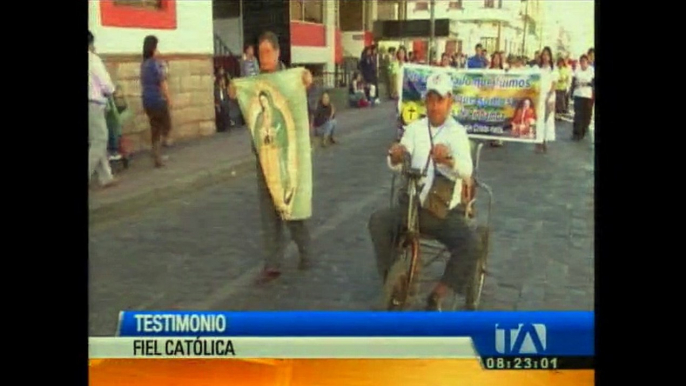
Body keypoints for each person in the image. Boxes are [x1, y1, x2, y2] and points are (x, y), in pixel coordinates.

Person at [368, 71, 480, 311]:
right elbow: (398, 160)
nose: (434, 106)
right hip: (411, 206)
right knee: (378, 222)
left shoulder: (457, 132)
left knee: (471, 243)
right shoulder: (415, 129)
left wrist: (449, 159)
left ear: (449, 101)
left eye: (439, 100)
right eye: (430, 100)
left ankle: (438, 294)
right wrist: (396, 156)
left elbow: (467, 169)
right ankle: (396, 277)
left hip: (442, 213)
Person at [229, 31, 313, 284]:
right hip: (264, 155)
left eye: (268, 52)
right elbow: (245, 110)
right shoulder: (254, 84)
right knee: (268, 210)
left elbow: (300, 106)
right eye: (261, 52)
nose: (264, 58)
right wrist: (235, 94)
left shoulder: (289, 79)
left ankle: (305, 249)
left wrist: (307, 80)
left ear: (277, 52)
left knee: (289, 204)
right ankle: (272, 262)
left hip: (286, 154)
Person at [88, 30, 118, 188]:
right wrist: (113, 90)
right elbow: (105, 83)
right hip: (94, 103)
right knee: (100, 140)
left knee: (95, 140)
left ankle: (106, 177)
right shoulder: (93, 59)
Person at [140, 35, 173, 167]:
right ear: (153, 49)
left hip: (147, 100)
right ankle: (163, 143)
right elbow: (162, 83)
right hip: (157, 99)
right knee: (167, 124)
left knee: (155, 127)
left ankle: (157, 155)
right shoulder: (155, 64)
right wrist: (169, 99)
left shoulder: (143, 64)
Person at [534, 46, 558, 153]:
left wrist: (549, 95)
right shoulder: (537, 68)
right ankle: (539, 141)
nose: (545, 57)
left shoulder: (553, 69)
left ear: (550, 56)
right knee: (539, 119)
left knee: (547, 119)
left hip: (549, 96)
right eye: (543, 54)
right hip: (539, 96)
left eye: (547, 55)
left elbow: (554, 84)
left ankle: (545, 140)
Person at [571, 54, 594, 141]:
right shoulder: (577, 70)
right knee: (577, 114)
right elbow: (574, 81)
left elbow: (592, 82)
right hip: (578, 94)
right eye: (581, 61)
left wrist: (585, 83)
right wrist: (572, 91)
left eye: (584, 61)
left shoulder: (591, 70)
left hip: (587, 95)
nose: (582, 63)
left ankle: (583, 131)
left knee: (586, 115)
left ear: (587, 62)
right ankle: (576, 133)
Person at [487, 52, 505, 147]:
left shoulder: (503, 71)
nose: (496, 60)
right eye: (495, 58)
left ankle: (499, 138)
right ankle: (492, 137)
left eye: (498, 58)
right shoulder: (488, 70)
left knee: (499, 118)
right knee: (492, 117)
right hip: (491, 96)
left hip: (500, 96)